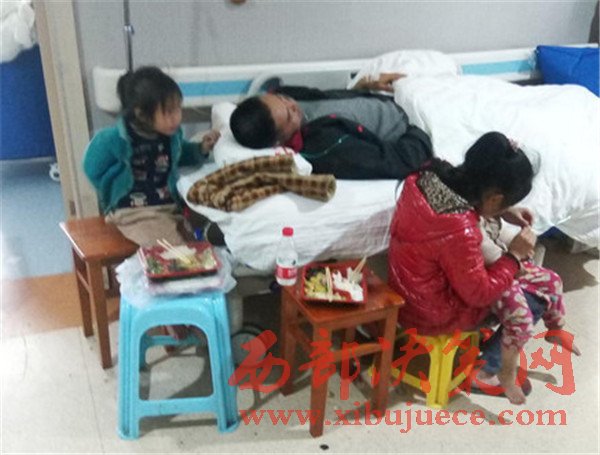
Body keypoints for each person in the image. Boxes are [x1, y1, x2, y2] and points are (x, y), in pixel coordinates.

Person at [388, 131, 579, 404]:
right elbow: (480, 294)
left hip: (410, 285)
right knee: (527, 302)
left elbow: (471, 200)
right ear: (493, 198)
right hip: (433, 310)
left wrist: (504, 212)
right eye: (507, 202)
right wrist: (514, 257)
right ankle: (489, 371)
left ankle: (552, 330)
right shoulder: (461, 229)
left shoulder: (427, 175)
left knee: (544, 280)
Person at [83, 66, 219, 246]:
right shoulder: (114, 139)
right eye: (168, 112)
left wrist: (201, 148)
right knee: (172, 247)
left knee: (204, 223)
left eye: (178, 109)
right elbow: (91, 168)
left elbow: (180, 154)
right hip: (133, 211)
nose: (176, 118)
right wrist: (110, 192)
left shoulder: (171, 136)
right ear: (141, 114)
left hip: (169, 205)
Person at [229, 73, 433, 180]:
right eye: (290, 116)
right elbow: (399, 161)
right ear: (278, 141)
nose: (292, 105)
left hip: (392, 97)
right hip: (415, 125)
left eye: (282, 99)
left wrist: (363, 86)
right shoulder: (325, 146)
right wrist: (420, 127)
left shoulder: (290, 96)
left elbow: (330, 98)